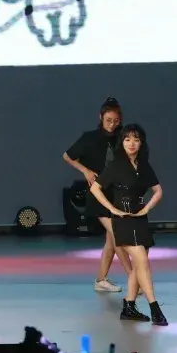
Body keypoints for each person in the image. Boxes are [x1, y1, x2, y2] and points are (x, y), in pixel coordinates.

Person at [89, 124, 166, 326]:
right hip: (122, 219)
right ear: (122, 142)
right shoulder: (116, 165)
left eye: (136, 140)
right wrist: (112, 209)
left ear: (141, 143)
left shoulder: (144, 166)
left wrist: (146, 208)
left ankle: (128, 307)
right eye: (127, 139)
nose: (131, 144)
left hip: (139, 218)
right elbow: (95, 188)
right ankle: (155, 307)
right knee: (142, 260)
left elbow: (158, 191)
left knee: (139, 266)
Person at [63, 97, 131, 292]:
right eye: (108, 120)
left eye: (115, 121)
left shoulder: (122, 138)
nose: (112, 124)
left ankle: (101, 280)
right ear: (100, 117)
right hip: (97, 194)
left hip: (116, 194)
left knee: (111, 240)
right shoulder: (89, 138)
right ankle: (135, 277)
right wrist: (85, 171)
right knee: (117, 233)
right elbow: (67, 156)